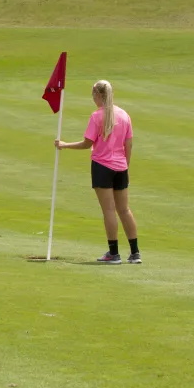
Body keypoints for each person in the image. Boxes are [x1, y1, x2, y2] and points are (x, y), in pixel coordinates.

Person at [55, 80, 141, 264]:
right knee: (124, 210)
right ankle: (135, 253)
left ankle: (114, 253)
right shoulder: (124, 115)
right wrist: (126, 166)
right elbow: (129, 144)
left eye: (93, 95)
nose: (92, 98)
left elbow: (87, 143)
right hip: (121, 167)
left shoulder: (96, 116)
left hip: (102, 167)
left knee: (109, 210)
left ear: (99, 95)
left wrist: (64, 145)